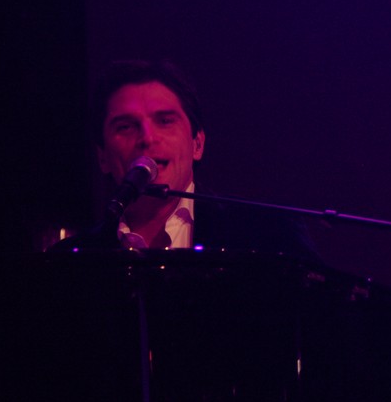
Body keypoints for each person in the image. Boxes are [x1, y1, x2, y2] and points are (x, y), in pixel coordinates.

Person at [50, 59, 320, 263]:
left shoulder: (271, 237)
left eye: (165, 121)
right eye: (125, 127)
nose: (147, 138)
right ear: (102, 157)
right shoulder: (68, 262)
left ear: (197, 144)